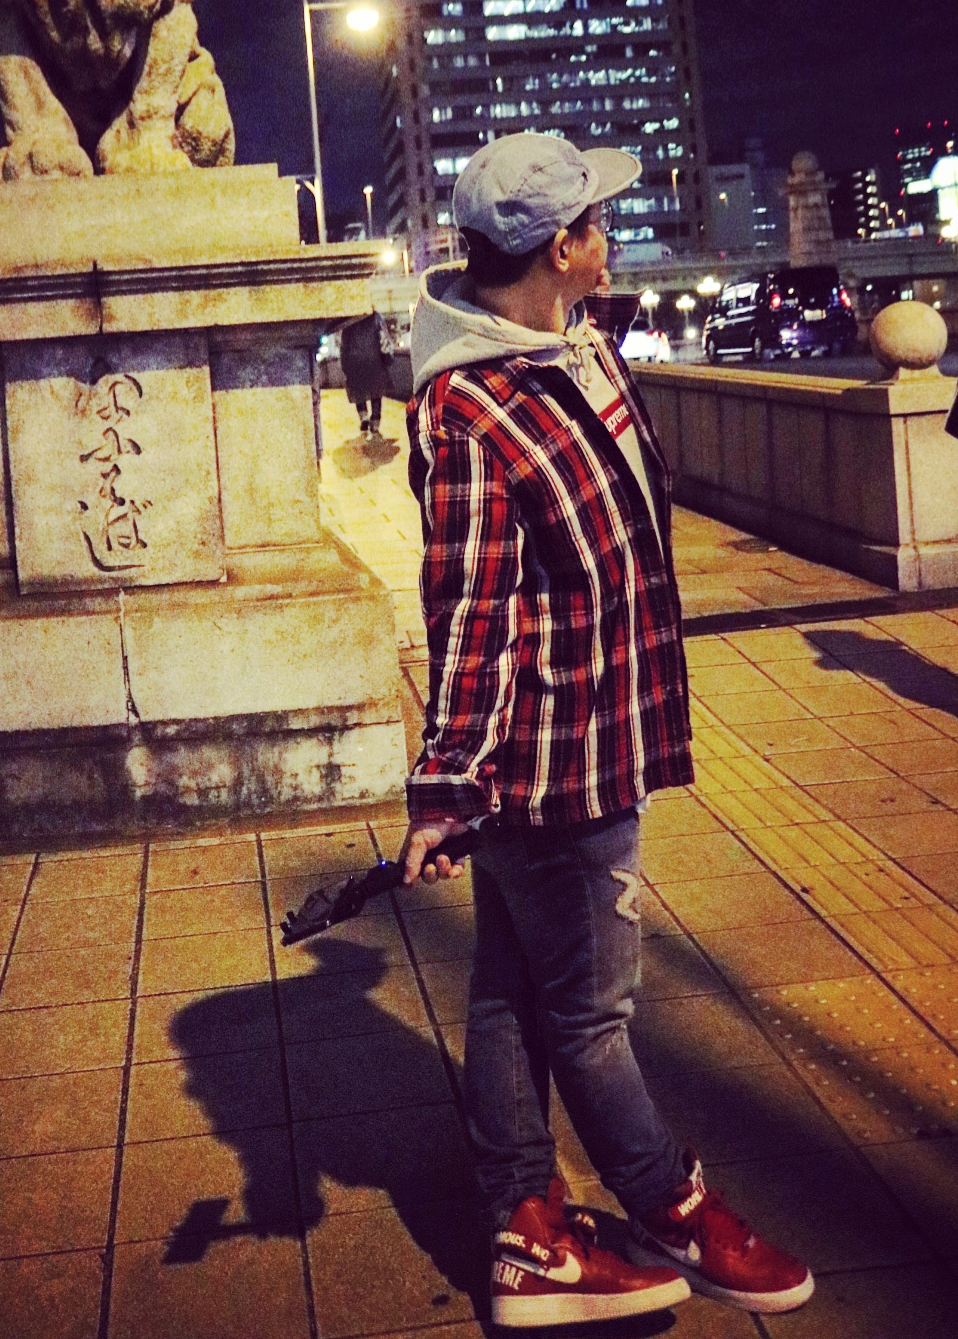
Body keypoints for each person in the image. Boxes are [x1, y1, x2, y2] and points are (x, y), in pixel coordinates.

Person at [399, 132, 814, 1328]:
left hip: (602, 727)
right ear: (555, 248)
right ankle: (668, 1203)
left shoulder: (574, 347)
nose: (609, 233)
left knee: (506, 986)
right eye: (592, 221)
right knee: (589, 1017)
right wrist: (448, 783)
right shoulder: (469, 407)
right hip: (554, 759)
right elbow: (470, 607)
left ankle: (524, 1227)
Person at [339, 310, 393, 434]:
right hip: (374, 360)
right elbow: (384, 338)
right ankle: (375, 421)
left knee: (358, 391)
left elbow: (344, 346)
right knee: (376, 392)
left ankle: (363, 416)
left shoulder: (349, 319)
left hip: (354, 361)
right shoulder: (376, 317)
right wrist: (388, 358)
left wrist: (344, 364)